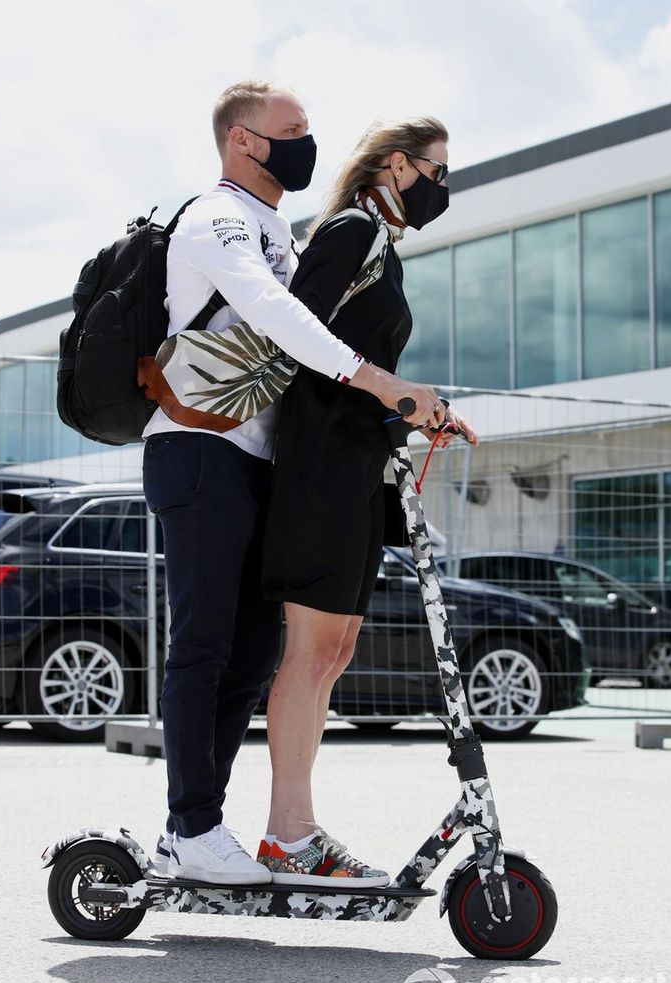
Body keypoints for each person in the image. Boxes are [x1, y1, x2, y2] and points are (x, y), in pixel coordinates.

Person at [142, 81, 447, 885]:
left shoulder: (278, 226)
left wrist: (396, 409)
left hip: (257, 458)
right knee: (204, 645)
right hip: (198, 448)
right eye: (292, 130)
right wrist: (377, 381)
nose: (308, 142)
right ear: (244, 140)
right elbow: (273, 311)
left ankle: (215, 828)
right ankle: (191, 828)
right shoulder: (216, 217)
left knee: (250, 654)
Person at [257, 117, 479, 887]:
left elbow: (362, 363)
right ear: (395, 164)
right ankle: (288, 834)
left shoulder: (381, 245)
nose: (442, 188)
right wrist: (390, 394)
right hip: (320, 466)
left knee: (336, 651)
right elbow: (296, 331)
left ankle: (297, 832)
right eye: (436, 171)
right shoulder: (351, 230)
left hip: (360, 464)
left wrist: (419, 412)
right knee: (312, 650)